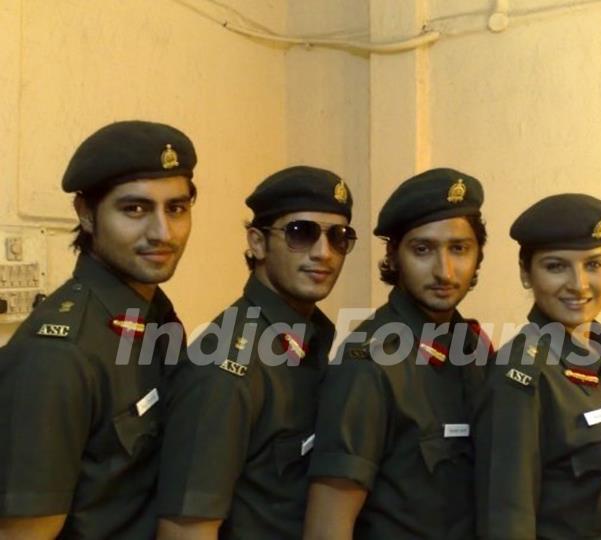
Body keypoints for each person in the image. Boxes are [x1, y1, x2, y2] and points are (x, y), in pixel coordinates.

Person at [0, 120, 198, 539]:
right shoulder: (58, 356)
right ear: (86, 214)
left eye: (176, 208)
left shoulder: (155, 313)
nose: (162, 233)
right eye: (135, 209)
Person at [156, 166, 356, 539]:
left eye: (339, 237)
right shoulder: (226, 366)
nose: (323, 253)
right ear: (258, 242)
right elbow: (186, 530)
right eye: (301, 233)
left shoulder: (312, 338)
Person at [304, 168, 492, 540]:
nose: (444, 270)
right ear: (393, 256)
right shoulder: (369, 365)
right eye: (423, 249)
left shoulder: (473, 349)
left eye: (459, 248)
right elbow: (329, 524)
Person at [474, 194, 601, 539]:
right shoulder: (520, 377)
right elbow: (507, 522)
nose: (579, 285)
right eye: (556, 266)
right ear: (525, 273)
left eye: (594, 264)